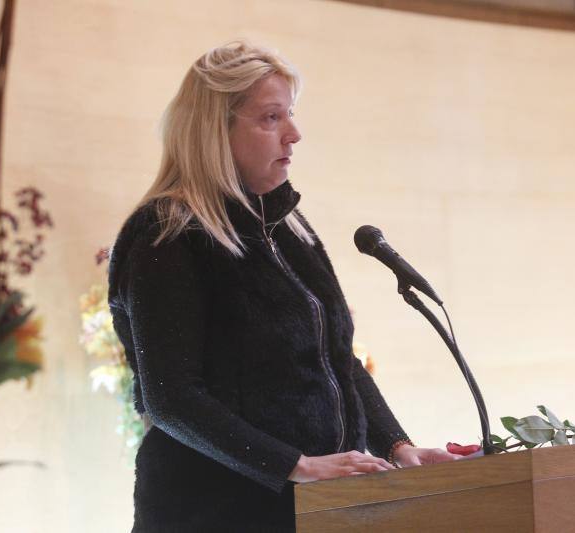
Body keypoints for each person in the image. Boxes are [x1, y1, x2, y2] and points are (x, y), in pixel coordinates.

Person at [107, 41, 462, 532]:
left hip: (314, 508)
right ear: (216, 130)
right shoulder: (168, 235)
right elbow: (171, 396)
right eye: (271, 118)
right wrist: (294, 465)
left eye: (290, 115)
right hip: (215, 512)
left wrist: (397, 447)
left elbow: (339, 360)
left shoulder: (292, 232)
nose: (293, 135)